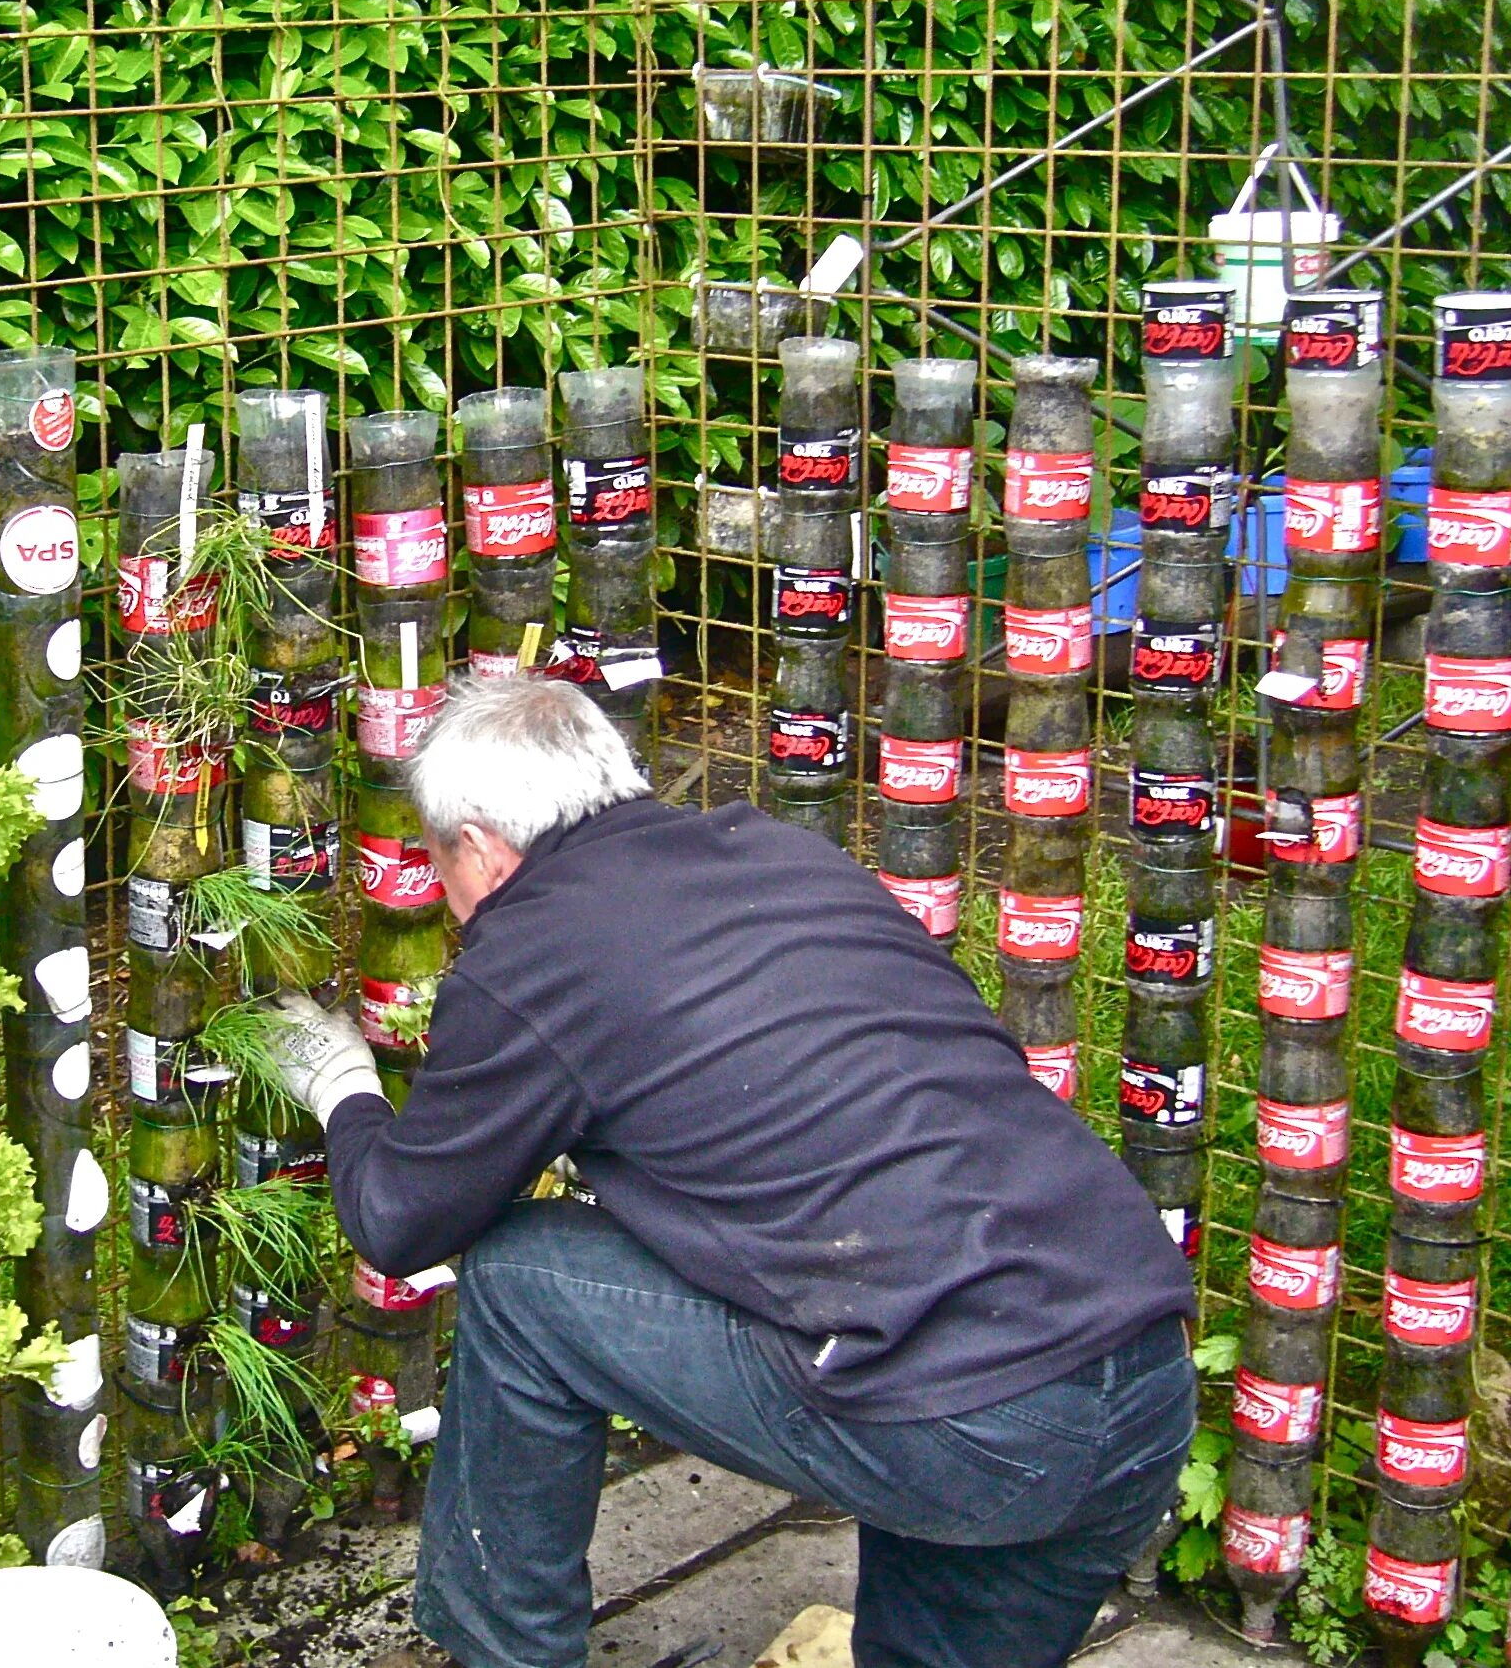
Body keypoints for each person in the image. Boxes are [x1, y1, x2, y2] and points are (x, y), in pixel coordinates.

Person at [266, 677, 1198, 1668]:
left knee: (522, 1285)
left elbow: (403, 1220)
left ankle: (503, 1654)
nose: (451, 909)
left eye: (441, 866)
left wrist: (343, 1090)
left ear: (483, 849)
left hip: (966, 1426)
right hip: (1137, 1384)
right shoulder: (782, 855)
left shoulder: (532, 948)